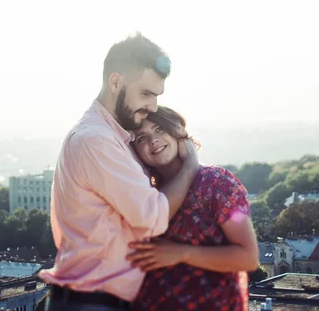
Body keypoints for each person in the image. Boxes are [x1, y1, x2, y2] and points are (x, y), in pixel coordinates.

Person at [38, 33, 200, 311]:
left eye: (157, 96)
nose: (153, 106)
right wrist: (190, 166)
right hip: (93, 303)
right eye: (146, 94)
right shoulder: (96, 140)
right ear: (116, 82)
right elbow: (152, 217)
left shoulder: (115, 138)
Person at [125, 106, 259, 311]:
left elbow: (248, 258)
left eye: (160, 129)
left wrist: (182, 253)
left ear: (177, 131)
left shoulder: (216, 182)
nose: (153, 140)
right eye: (142, 138)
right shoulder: (144, 195)